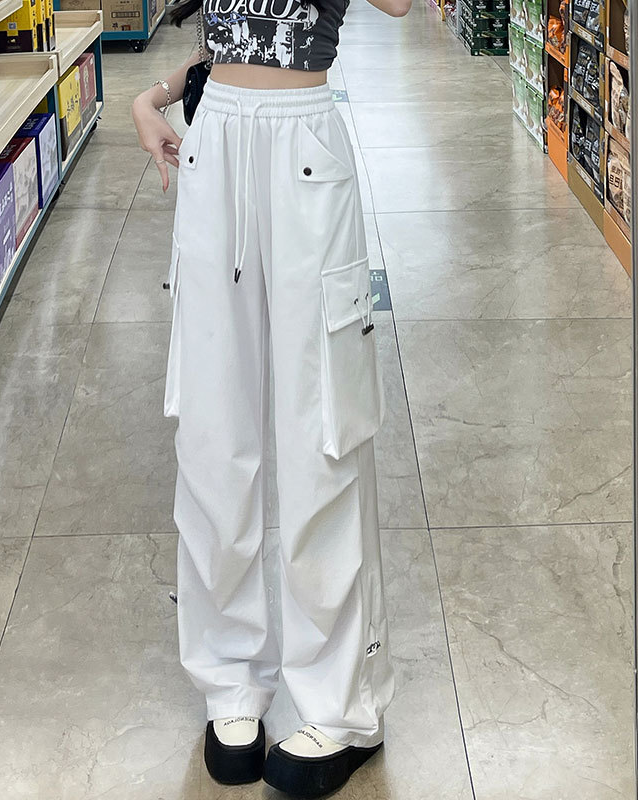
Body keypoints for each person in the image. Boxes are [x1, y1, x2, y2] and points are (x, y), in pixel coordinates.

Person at [131, 0, 411, 795]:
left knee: (324, 428)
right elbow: (230, 29)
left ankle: (343, 707)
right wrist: (153, 95)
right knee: (212, 430)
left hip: (305, 144)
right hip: (214, 139)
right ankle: (230, 682)